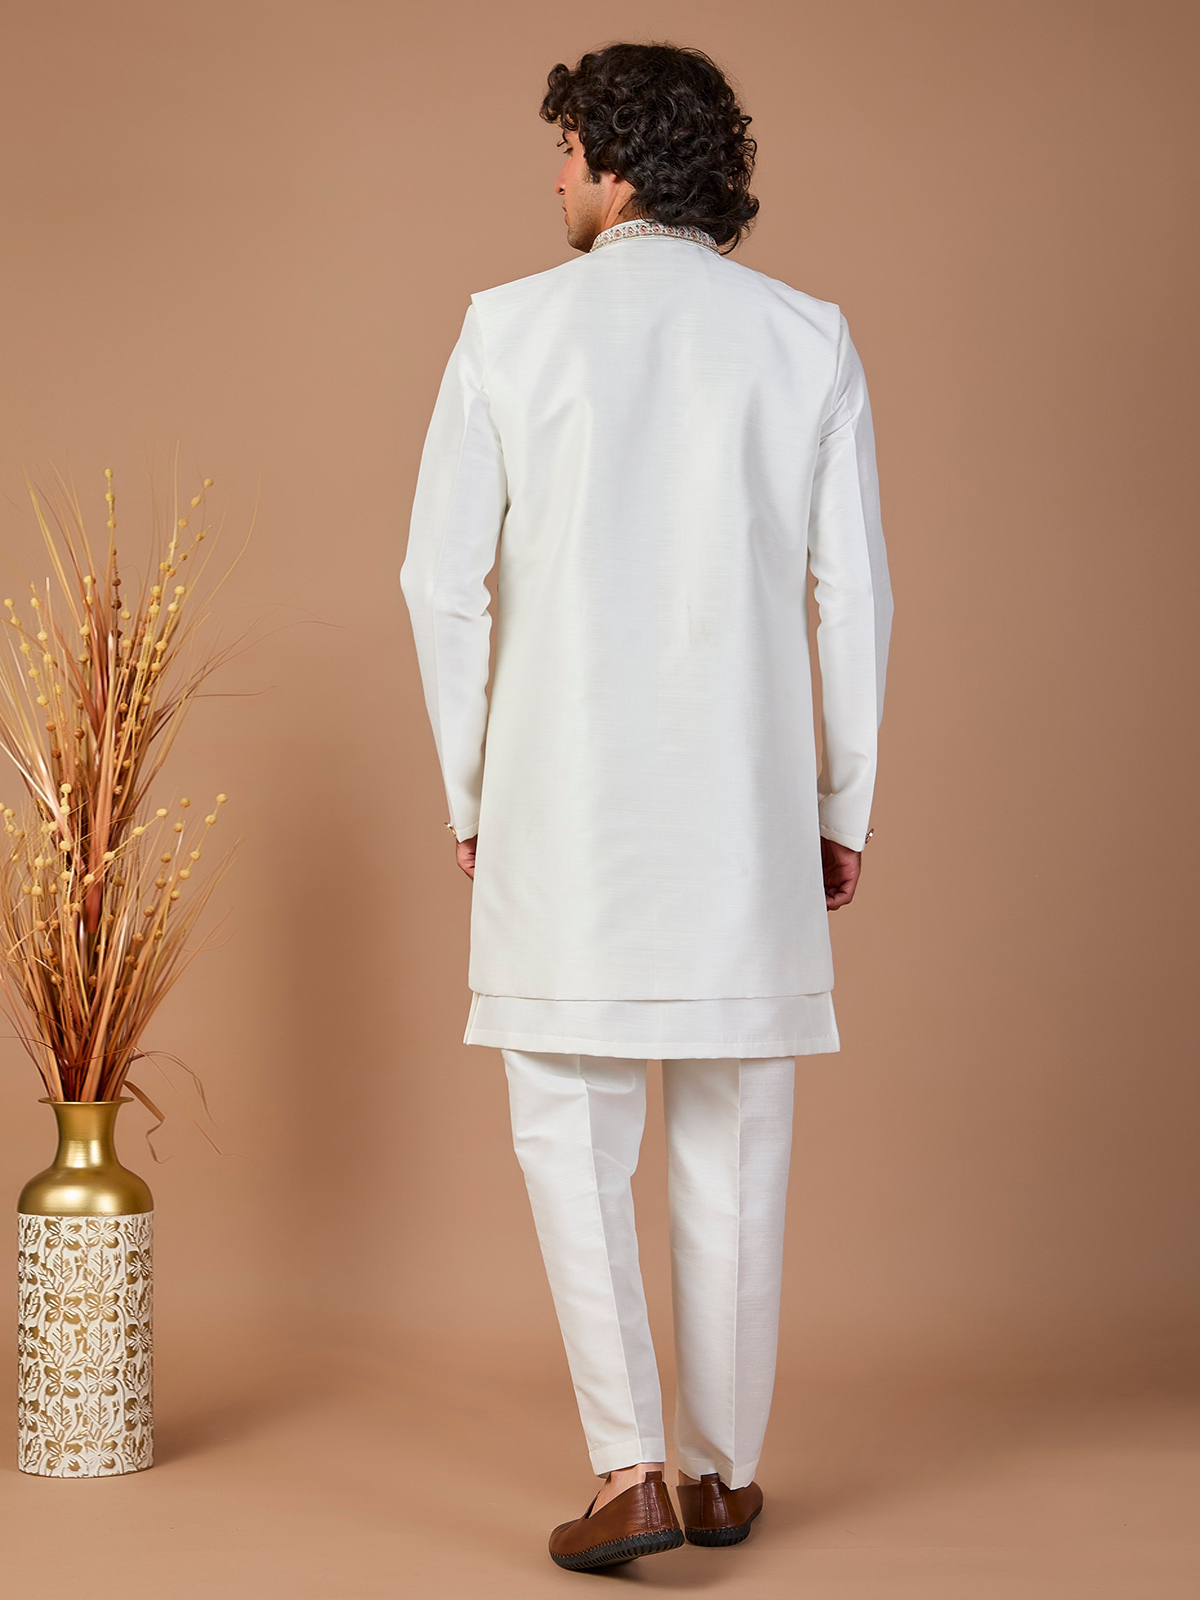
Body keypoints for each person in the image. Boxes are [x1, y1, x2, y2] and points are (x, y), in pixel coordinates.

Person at [401, 41, 892, 1571]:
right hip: (746, 814)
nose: (554, 178)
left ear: (615, 163)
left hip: (560, 805)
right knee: (737, 1139)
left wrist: (474, 788)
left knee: (570, 1131)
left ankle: (628, 1474)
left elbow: (440, 584)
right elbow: (855, 598)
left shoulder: (506, 329)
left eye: (564, 151)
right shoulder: (805, 337)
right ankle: (723, 1474)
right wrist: (841, 803)